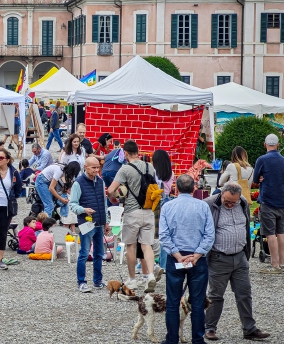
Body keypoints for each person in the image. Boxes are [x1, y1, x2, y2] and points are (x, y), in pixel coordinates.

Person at [202, 182, 270, 341]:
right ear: (222, 193)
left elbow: (246, 225)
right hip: (219, 258)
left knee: (244, 294)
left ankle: (250, 329)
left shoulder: (243, 202)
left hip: (240, 257)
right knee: (215, 295)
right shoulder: (209, 204)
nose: (230, 204)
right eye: (227, 201)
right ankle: (209, 328)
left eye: (234, 201)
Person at [159, 174, 214, 344]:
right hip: (197, 257)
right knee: (198, 302)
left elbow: (164, 235)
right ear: (194, 188)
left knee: (173, 302)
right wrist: (197, 254)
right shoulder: (203, 207)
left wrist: (177, 255)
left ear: (176, 188)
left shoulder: (168, 207)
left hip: (176, 256)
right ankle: (198, 339)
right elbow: (209, 234)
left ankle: (172, 339)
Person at [107, 140, 157, 292]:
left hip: (132, 212)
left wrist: (114, 198)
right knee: (147, 245)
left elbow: (110, 190)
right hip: (148, 211)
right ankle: (149, 276)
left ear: (126, 153)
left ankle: (133, 279)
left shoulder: (125, 169)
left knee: (131, 246)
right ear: (138, 151)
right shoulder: (150, 167)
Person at [69, 157, 109, 293]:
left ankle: (97, 281)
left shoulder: (101, 182)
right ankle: (81, 282)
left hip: (99, 222)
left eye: (98, 167)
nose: (96, 170)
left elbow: (104, 203)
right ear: (85, 167)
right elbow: (72, 204)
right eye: (93, 167)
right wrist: (83, 210)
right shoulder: (78, 183)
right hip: (86, 222)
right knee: (84, 253)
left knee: (99, 253)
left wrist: (106, 221)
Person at [253, 134, 284, 273]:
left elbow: (255, 180)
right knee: (281, 232)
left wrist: (260, 178)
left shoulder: (262, 160)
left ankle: (275, 264)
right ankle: (283, 262)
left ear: (265, 144)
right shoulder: (283, 160)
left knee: (270, 233)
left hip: (267, 200)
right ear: (278, 145)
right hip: (282, 200)